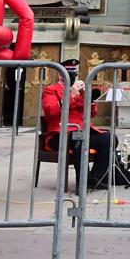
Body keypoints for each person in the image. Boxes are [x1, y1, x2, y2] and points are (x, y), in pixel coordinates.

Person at [40, 59, 112, 189]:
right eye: (69, 72)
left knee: (108, 138)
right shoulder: (51, 90)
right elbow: (51, 111)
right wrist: (71, 95)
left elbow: (90, 114)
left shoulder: (79, 92)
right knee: (80, 140)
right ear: (60, 75)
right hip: (60, 135)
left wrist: (90, 99)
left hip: (80, 131)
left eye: (74, 72)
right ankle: (82, 182)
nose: (73, 75)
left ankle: (95, 178)